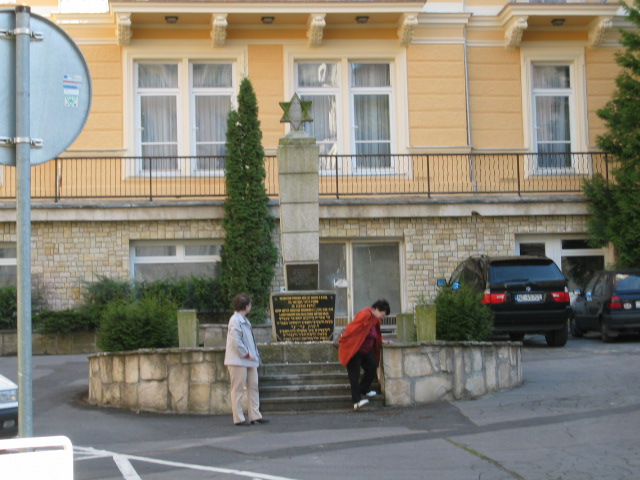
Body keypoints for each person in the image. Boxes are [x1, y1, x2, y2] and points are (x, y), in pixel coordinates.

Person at [224, 293, 269, 426]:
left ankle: (255, 415)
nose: (251, 306)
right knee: (238, 389)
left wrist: (253, 355)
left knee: (253, 386)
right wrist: (247, 353)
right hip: (238, 360)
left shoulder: (244, 320)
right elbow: (236, 341)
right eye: (249, 304)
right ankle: (238, 418)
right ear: (245, 306)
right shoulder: (234, 320)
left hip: (250, 359)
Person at [338, 299, 391, 410]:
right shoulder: (365, 315)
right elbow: (353, 329)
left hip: (364, 350)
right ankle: (356, 401)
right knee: (354, 375)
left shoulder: (374, 319)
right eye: (383, 314)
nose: (383, 317)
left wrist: (383, 341)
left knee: (373, 365)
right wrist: (344, 340)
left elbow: (375, 334)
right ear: (377, 309)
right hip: (354, 349)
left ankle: (363, 389)